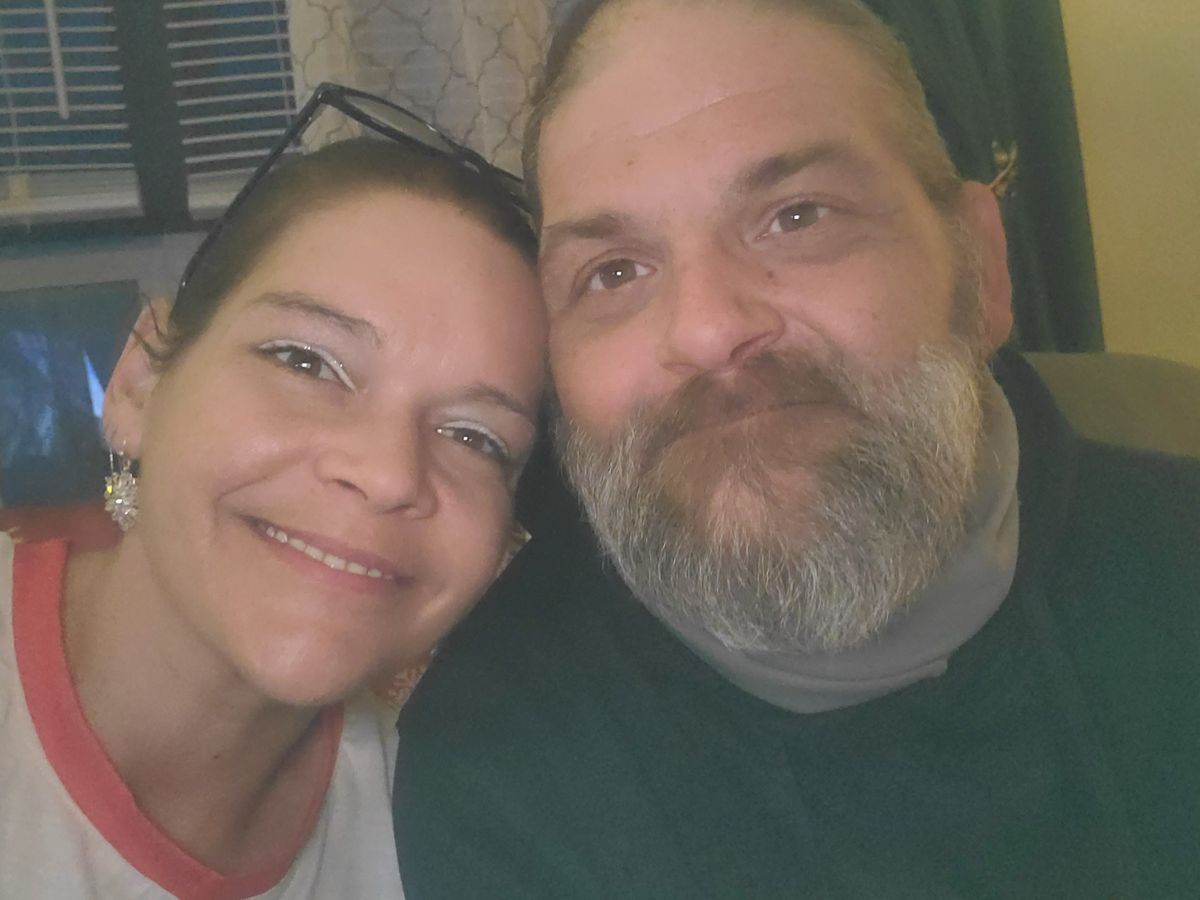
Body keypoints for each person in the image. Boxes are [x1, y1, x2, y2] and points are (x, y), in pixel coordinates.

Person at [392, 1, 1200, 897]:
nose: (707, 330)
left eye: (798, 216)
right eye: (612, 272)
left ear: (981, 266)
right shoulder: (496, 763)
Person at [0, 123, 546, 897]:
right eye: (307, 361)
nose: (388, 474)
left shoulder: (452, 836)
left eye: (475, 436)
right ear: (138, 384)